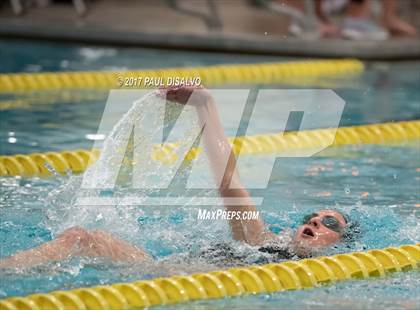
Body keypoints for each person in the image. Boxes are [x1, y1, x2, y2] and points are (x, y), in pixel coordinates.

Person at [0, 86, 358, 269]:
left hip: (177, 281)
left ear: (339, 243)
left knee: (80, 238)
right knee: (80, 236)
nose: (314, 221)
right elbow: (229, 184)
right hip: (166, 270)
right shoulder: (261, 239)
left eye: (329, 222)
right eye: (312, 217)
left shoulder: (315, 270)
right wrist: (204, 104)